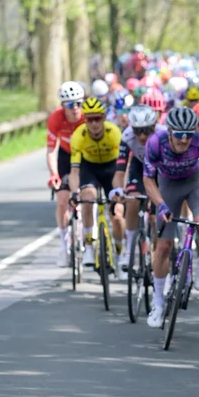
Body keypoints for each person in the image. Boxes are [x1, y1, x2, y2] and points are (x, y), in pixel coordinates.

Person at [143, 106, 199, 328]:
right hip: (167, 184)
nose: (184, 139)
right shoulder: (155, 142)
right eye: (179, 134)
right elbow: (148, 179)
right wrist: (160, 205)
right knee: (163, 246)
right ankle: (158, 302)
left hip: (194, 182)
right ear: (170, 132)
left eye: (189, 134)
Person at [69, 97, 124, 271]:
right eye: (89, 119)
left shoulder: (114, 132)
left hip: (111, 168)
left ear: (104, 118)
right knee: (88, 198)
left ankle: (120, 254)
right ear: (85, 119)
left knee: (117, 214)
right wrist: (74, 192)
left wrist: (120, 190)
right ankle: (89, 247)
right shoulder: (79, 135)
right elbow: (74, 171)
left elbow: (122, 167)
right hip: (90, 168)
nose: (94, 124)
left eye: (97, 118)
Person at [111, 104, 160, 271]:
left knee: (156, 217)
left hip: (161, 171)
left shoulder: (163, 135)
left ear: (154, 126)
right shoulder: (127, 136)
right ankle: (129, 249)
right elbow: (120, 171)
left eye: (146, 130)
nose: (142, 136)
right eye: (137, 131)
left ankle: (159, 253)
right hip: (139, 167)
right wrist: (118, 189)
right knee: (132, 200)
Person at [46, 81, 85, 266]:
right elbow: (51, 150)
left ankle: (88, 234)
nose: (75, 108)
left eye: (78, 103)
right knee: (62, 201)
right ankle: (64, 244)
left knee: (87, 196)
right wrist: (54, 174)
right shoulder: (56, 118)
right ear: (63, 106)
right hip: (65, 155)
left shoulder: (87, 117)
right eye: (70, 104)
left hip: (85, 156)